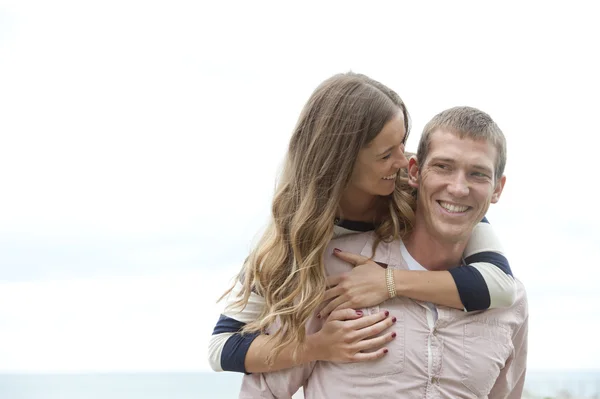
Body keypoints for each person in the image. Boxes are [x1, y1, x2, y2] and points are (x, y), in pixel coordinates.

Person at [208, 73, 516, 375]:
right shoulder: (293, 239)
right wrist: (316, 347)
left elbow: (500, 286)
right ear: (342, 162)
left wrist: (389, 282)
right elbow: (221, 348)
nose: (403, 161)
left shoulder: (423, 189)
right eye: (385, 155)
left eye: (402, 143)